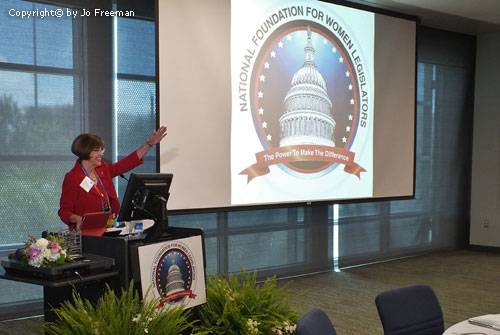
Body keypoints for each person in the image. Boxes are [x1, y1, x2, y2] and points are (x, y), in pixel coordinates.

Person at [58, 126, 167, 230]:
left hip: (107, 228)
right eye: (97, 150)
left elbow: (126, 163)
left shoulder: (102, 169)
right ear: (85, 151)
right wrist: (78, 219)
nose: (101, 153)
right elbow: (64, 212)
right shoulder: (73, 177)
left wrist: (149, 144)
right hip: (86, 233)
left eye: (102, 150)